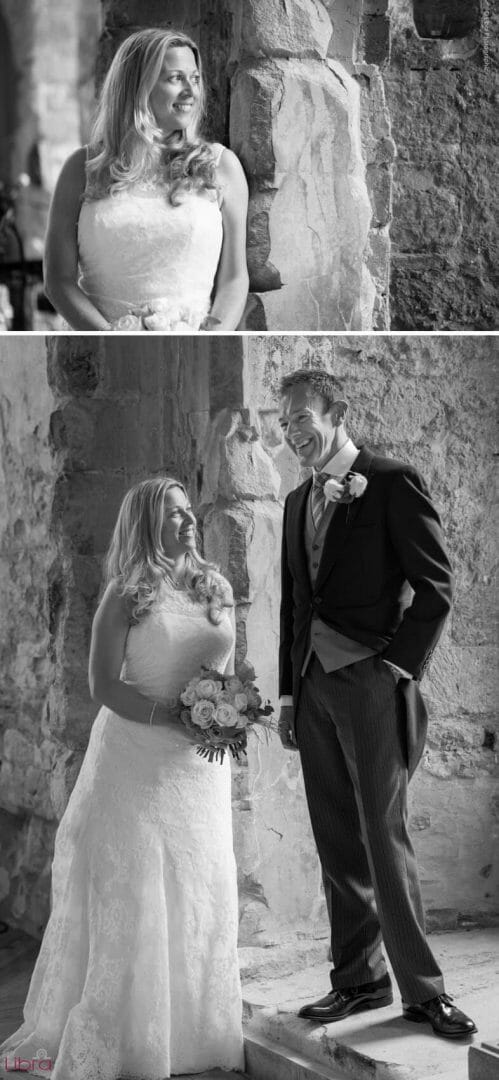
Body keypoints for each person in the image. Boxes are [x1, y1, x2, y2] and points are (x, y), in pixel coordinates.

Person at [0, 477, 245, 1079]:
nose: (188, 521)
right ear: (145, 525)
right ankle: (128, 1034)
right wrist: (172, 716)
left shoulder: (215, 586)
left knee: (198, 883)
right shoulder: (126, 593)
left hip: (199, 767)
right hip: (135, 757)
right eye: (173, 514)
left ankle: (194, 1032)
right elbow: (103, 685)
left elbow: (229, 669)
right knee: (134, 889)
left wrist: (229, 713)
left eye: (189, 511)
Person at [277, 368, 477, 1040]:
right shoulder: (292, 502)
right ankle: (356, 981)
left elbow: (435, 587)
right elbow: (295, 606)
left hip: (370, 682)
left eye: (300, 419)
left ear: (337, 411)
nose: (290, 434)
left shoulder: (390, 481)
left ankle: (423, 993)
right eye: (282, 425)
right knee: (336, 839)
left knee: (382, 837)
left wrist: (392, 667)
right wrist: (286, 692)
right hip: (310, 688)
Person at [43, 28, 249, 331]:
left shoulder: (220, 166)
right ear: (137, 86)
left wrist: (212, 338)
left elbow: (234, 277)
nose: (192, 92)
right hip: (104, 343)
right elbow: (58, 281)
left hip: (194, 342)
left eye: (194, 78)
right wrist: (112, 339)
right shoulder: (80, 169)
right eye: (175, 78)